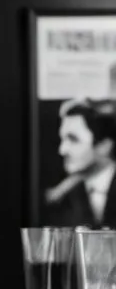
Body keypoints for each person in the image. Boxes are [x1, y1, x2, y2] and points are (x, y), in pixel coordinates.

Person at [44, 97, 116, 228]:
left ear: (104, 145)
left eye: (73, 139)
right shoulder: (61, 196)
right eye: (62, 139)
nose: (62, 150)